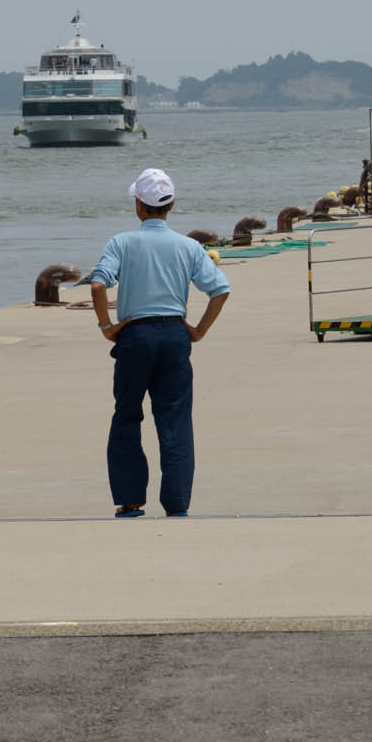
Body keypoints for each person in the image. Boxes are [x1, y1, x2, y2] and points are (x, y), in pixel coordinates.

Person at [87, 167, 231, 519]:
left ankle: (131, 500)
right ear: (172, 204)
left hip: (135, 336)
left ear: (139, 205)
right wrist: (199, 330)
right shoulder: (189, 246)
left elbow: (98, 284)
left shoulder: (121, 243)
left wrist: (107, 326)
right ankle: (177, 503)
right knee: (174, 420)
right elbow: (220, 289)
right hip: (174, 335)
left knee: (127, 416)